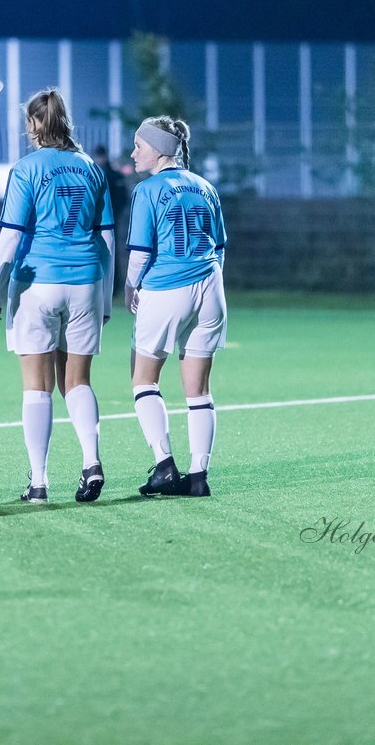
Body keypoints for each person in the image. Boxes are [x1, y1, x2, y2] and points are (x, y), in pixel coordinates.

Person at [0, 88, 115, 504]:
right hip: (85, 285)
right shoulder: (92, 169)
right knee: (77, 381)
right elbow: (107, 236)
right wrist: (106, 298)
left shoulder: (27, 168)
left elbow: (11, 234)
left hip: (37, 282)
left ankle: (39, 482)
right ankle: (91, 462)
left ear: (32, 125)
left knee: (37, 387)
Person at [124, 117, 227, 498]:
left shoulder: (148, 190)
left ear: (160, 150)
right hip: (211, 287)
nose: (133, 153)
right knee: (198, 390)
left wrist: (130, 286)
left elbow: (140, 252)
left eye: (139, 145)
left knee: (143, 378)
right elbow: (219, 248)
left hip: (167, 288)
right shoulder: (206, 187)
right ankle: (199, 475)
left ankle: (165, 466)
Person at [93, 144, 130, 291]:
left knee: (111, 251)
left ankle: (114, 288)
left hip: (113, 219)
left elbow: (122, 198)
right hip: (95, 221)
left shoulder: (114, 175)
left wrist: (115, 214)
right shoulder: (93, 174)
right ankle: (101, 286)